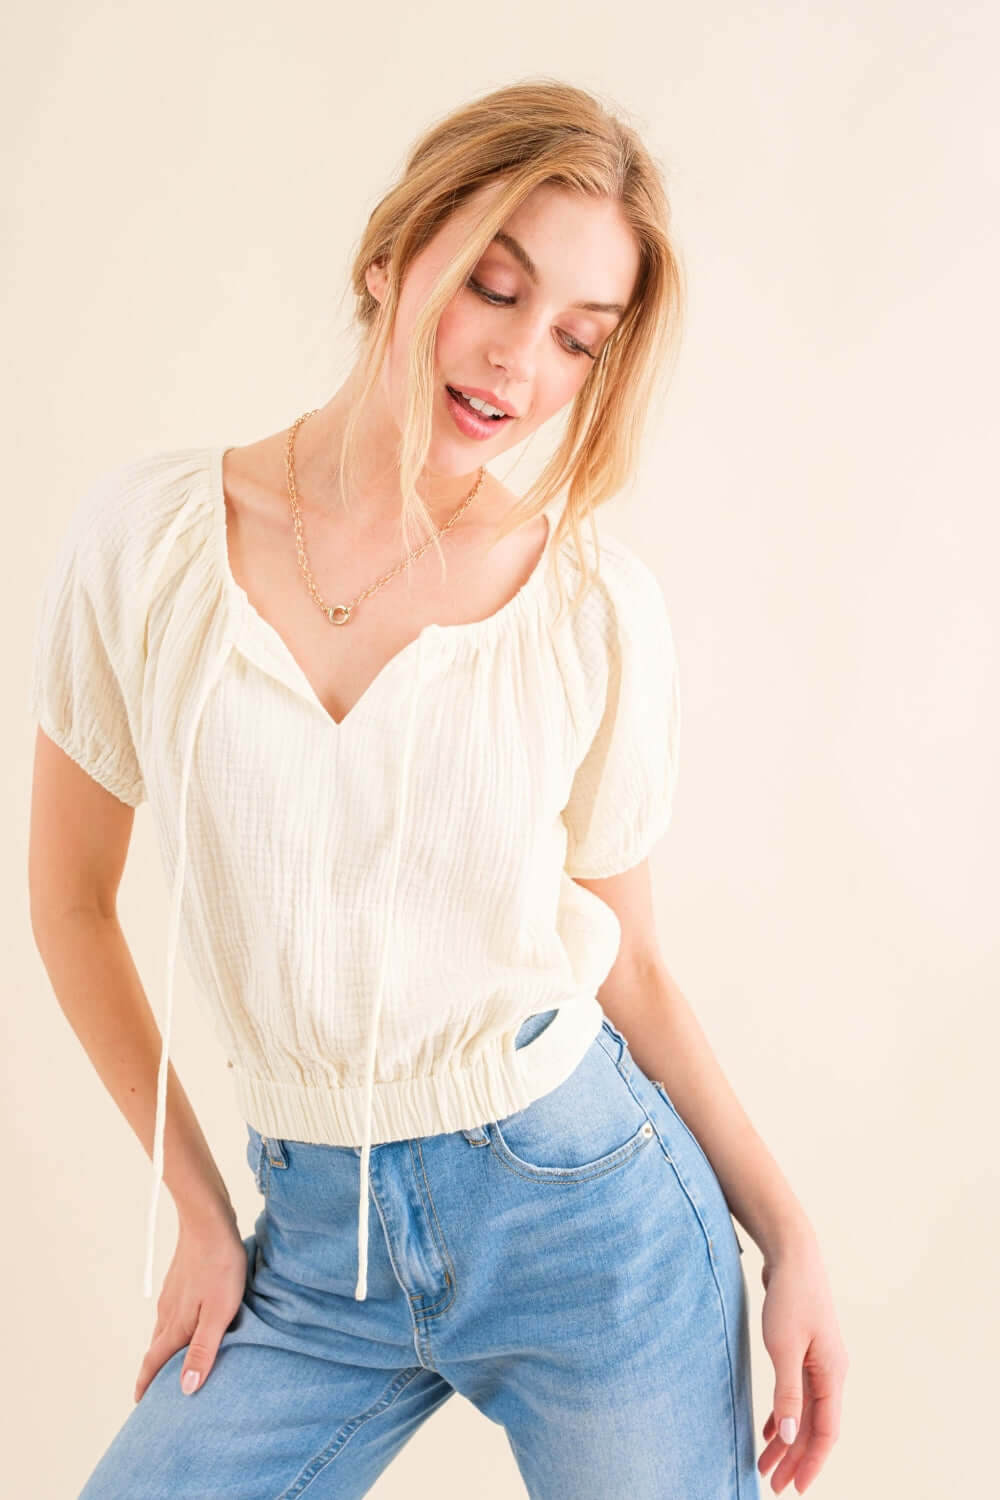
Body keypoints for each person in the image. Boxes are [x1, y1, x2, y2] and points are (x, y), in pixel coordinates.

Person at [27, 79, 847, 1499]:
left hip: (587, 1222)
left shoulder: (590, 607)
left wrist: (794, 1237)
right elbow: (68, 900)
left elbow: (632, 961)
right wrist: (199, 1214)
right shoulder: (148, 547)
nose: (520, 362)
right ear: (394, 253)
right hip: (312, 1244)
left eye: (577, 339)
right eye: (496, 286)